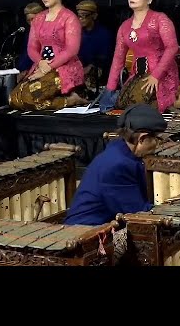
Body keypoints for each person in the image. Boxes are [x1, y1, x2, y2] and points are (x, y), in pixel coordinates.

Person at [64, 103, 165, 263]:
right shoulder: (118, 164)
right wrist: (166, 212)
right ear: (142, 138)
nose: (158, 145)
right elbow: (136, 213)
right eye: (158, 139)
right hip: (85, 238)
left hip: (102, 226)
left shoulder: (120, 149)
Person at [105, 0, 180, 112]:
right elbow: (118, 59)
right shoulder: (125, 26)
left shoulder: (160, 19)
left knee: (142, 108)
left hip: (161, 73)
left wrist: (156, 75)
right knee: (122, 104)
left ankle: (179, 100)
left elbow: (172, 48)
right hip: (138, 73)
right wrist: (109, 89)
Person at [9, 0, 87, 110]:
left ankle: (72, 100)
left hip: (63, 68)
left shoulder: (69, 18)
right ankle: (68, 100)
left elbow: (71, 50)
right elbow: (32, 47)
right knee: (14, 98)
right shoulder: (38, 19)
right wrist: (40, 63)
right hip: (41, 66)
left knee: (30, 97)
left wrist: (49, 67)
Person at [75, 0, 114, 95]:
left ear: (94, 16)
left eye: (84, 16)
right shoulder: (75, 33)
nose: (80, 19)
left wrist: (91, 66)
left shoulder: (104, 34)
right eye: (79, 16)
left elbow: (105, 58)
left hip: (96, 68)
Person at [16, 2, 44, 81]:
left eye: (34, 19)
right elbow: (26, 54)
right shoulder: (29, 33)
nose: (32, 24)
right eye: (29, 21)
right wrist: (22, 70)